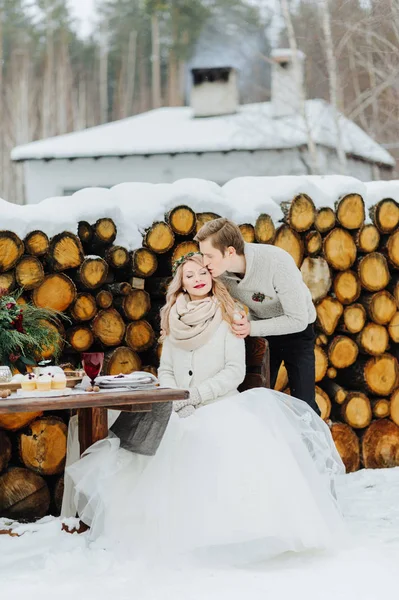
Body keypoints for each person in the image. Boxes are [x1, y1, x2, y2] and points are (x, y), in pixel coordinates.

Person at [67, 253, 345, 565]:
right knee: (145, 441)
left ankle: (229, 535)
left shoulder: (229, 315)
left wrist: (196, 396)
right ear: (181, 284)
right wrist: (175, 396)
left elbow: (233, 372)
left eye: (202, 272)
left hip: (219, 402)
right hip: (181, 403)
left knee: (209, 439)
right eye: (190, 275)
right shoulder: (173, 319)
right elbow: (168, 368)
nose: (198, 278)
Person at [195, 218, 319, 413]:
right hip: (260, 332)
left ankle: (311, 442)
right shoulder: (217, 271)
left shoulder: (277, 262)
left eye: (209, 256)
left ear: (230, 252)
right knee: (253, 397)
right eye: (203, 255)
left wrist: (251, 328)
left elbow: (298, 320)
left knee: (305, 406)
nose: (204, 263)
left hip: (297, 333)